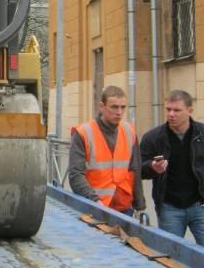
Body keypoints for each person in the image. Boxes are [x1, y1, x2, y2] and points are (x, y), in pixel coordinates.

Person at [69, 85, 145, 215]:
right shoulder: (83, 133)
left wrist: (140, 205)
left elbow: (135, 170)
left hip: (124, 207)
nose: (119, 112)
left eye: (123, 107)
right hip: (94, 207)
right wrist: (94, 200)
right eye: (114, 107)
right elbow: (76, 175)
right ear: (102, 106)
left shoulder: (129, 131)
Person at [140, 90, 204, 245]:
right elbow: (138, 169)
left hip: (200, 205)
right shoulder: (153, 137)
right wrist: (153, 168)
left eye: (177, 110)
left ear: (189, 111)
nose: (171, 114)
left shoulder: (201, 134)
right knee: (172, 256)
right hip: (169, 207)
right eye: (168, 109)